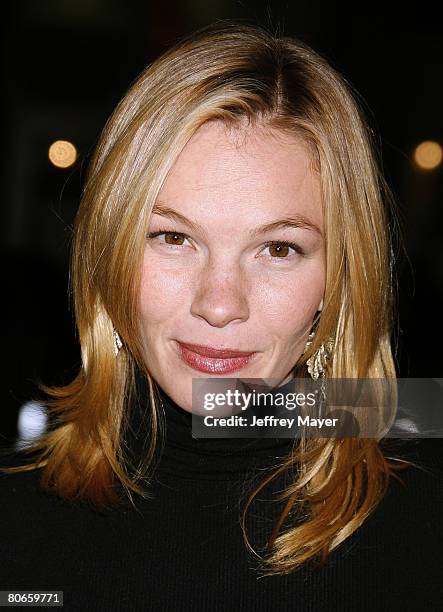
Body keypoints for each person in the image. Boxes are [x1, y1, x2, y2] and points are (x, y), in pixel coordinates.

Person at [1, 19, 441, 611]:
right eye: (173, 237)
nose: (218, 303)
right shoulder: (17, 524)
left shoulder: (424, 523)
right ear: (109, 247)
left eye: (279, 249)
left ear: (340, 275)